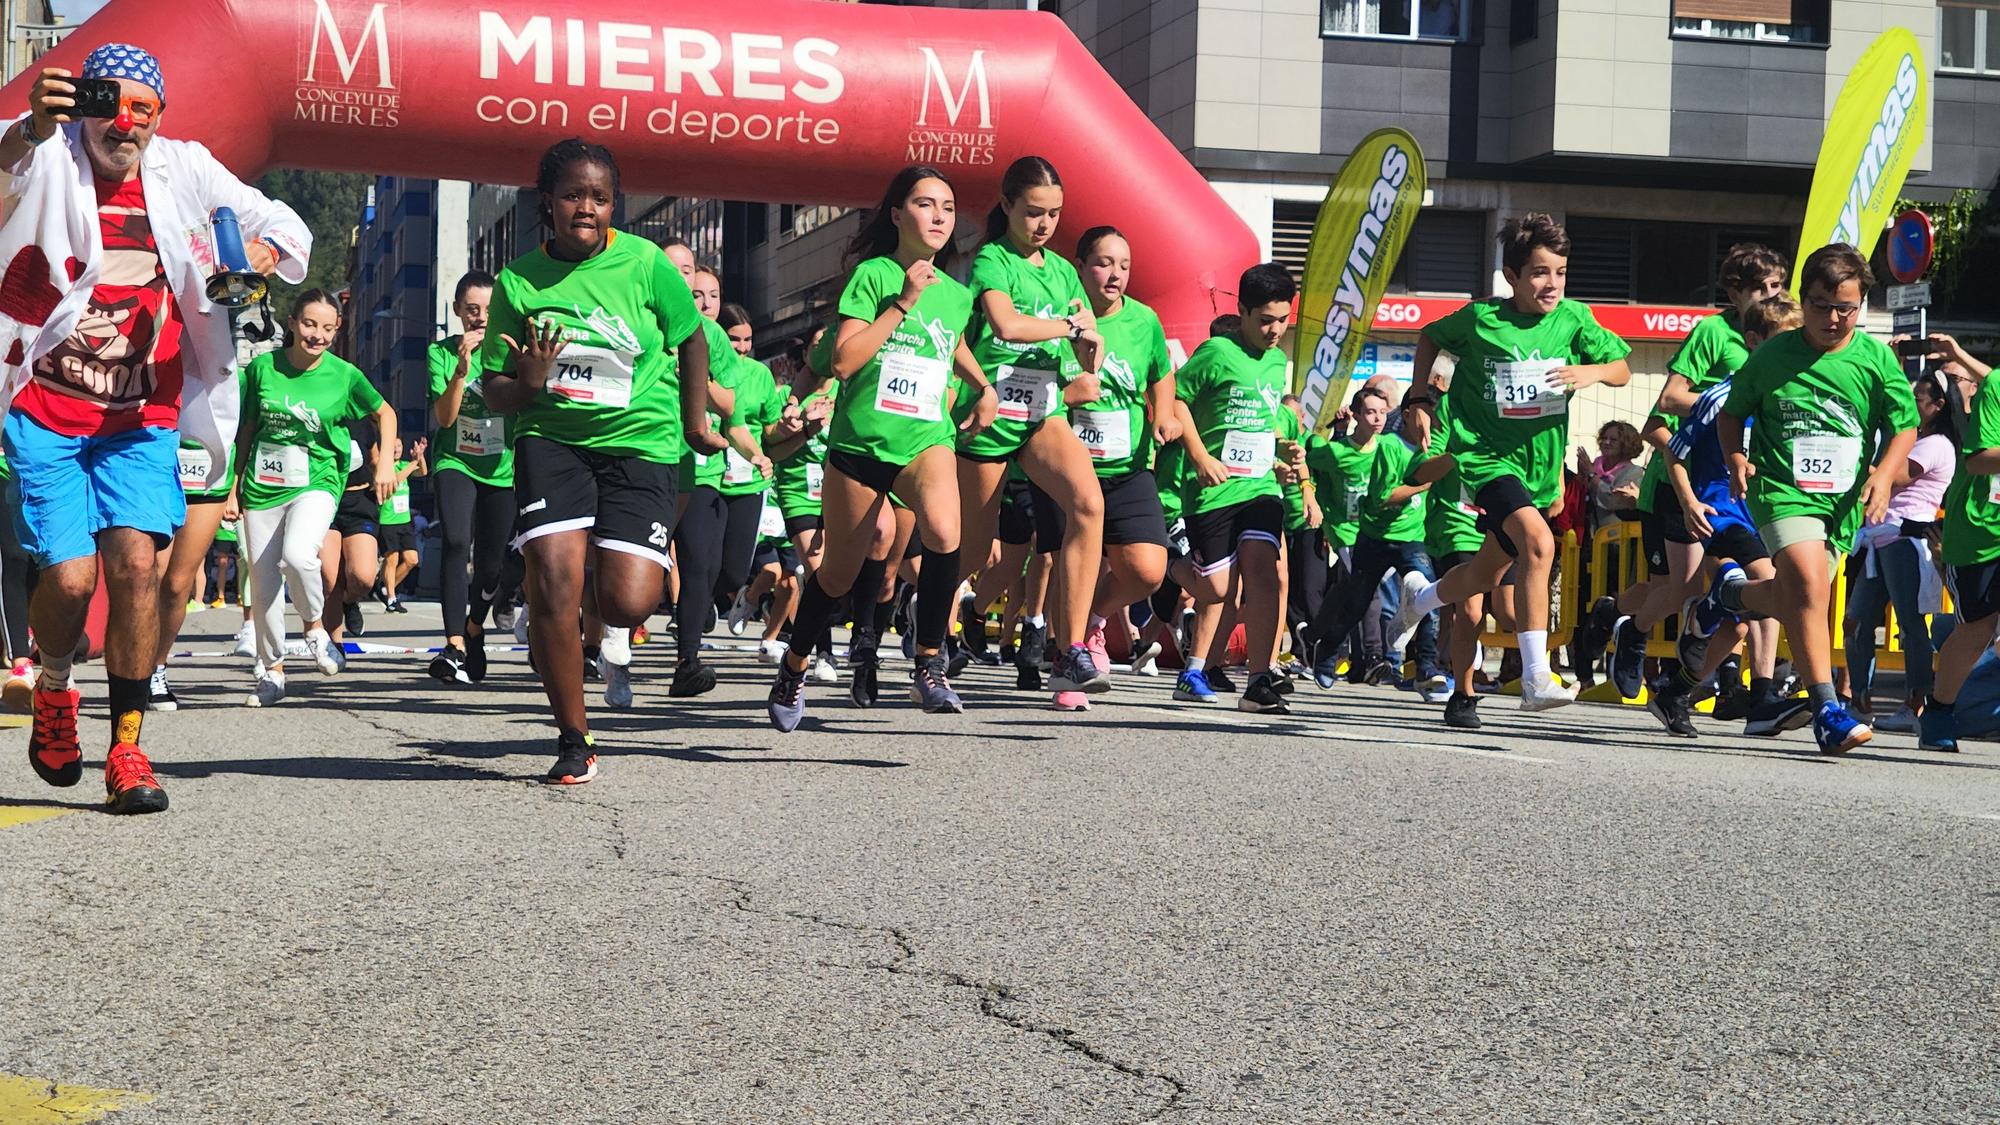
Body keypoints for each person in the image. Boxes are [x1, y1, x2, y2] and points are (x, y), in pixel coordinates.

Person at [0, 45, 311, 813]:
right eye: (107, 101)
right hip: (45, 408)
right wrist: (29, 130)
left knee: (138, 566)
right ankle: (54, 687)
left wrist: (265, 248)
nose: (124, 121)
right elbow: (3, 165)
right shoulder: (48, 152)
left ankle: (129, 747)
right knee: (71, 580)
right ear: (81, 105)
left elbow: (279, 220)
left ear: (161, 116)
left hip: (143, 416)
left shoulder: (184, 168)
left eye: (143, 107)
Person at [481, 138, 717, 784]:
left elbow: (691, 338)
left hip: (640, 442)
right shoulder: (519, 280)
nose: (587, 208)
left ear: (615, 204)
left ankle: (577, 582)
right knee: (555, 582)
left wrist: (695, 423)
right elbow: (492, 388)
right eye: (573, 195)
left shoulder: (644, 263)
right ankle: (573, 737)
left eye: (601, 197)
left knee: (628, 603)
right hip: (551, 442)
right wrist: (527, 382)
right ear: (548, 202)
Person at [766, 164, 998, 732]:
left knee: (946, 532)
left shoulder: (958, 294)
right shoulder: (873, 277)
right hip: (861, 444)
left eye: (947, 206)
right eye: (925, 204)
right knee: (839, 577)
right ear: (898, 216)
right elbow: (843, 360)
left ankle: (928, 662)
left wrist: (983, 386)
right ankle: (794, 666)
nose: (940, 216)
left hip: (925, 437)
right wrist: (902, 302)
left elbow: (950, 346)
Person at [1376, 214, 1633, 724]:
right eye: (1539, 272)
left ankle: (1420, 599)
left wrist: (1593, 371)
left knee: (1482, 573)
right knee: (1539, 542)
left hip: (1538, 467)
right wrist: (1422, 397)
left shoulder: (1575, 320)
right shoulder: (1479, 320)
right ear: (1511, 276)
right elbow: (1429, 338)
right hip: (1485, 457)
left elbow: (1623, 371)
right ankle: (1537, 675)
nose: (1552, 284)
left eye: (1560, 272)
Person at [1689, 243, 1919, 754]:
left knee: (1802, 595)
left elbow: (1904, 425)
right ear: (1804, 300)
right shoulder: (1774, 354)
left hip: (1840, 503)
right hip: (1781, 490)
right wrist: (1735, 458)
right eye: (1819, 305)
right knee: (1811, 583)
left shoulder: (1875, 359)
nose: (1833, 318)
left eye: (1846, 308)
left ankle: (1729, 598)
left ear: (1861, 305)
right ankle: (1826, 710)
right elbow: (1732, 412)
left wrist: (1882, 475)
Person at [953, 156, 1109, 707]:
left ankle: (1068, 651)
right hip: (989, 412)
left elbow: (1087, 340)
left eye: (1054, 215)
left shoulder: (1064, 271)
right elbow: (1006, 325)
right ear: (1007, 207)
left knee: (1088, 507)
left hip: (1042, 411)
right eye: (1034, 213)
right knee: (973, 551)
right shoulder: (992, 261)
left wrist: (1090, 348)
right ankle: (929, 605)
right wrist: (1071, 326)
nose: (1044, 224)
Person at [1607, 245, 1788, 706]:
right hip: (1682, 481)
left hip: (1741, 491)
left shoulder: (1788, 339)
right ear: (1735, 291)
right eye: (1764, 288)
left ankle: (1754, 690)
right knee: (1678, 589)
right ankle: (1625, 624)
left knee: (1755, 591)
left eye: (1779, 286)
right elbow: (1666, 403)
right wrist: (1732, 407)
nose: (1774, 294)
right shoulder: (1713, 333)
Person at [223, 290, 396, 706]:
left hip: (317, 479)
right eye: (309, 324)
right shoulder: (263, 368)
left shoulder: (344, 375)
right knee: (263, 589)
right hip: (263, 486)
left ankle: (316, 628)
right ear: (293, 322)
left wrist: (387, 462)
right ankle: (273, 674)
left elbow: (384, 413)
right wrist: (234, 486)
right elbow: (245, 429)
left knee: (299, 556)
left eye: (327, 328)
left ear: (337, 331)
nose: (317, 335)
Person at [1639, 294, 1799, 737]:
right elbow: (1675, 452)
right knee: (1769, 581)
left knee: (1735, 630)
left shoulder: (1789, 398)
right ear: (1754, 342)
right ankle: (1764, 697)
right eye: (1783, 342)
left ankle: (1675, 689)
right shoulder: (1720, 396)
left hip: (1762, 511)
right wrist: (1689, 501)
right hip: (1718, 508)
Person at [1172, 263, 1299, 714]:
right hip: (1213, 488)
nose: (1274, 330)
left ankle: (1260, 680)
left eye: (1283, 319)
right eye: (1265, 319)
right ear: (1242, 311)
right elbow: (1174, 400)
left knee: (1265, 571)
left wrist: (1283, 460)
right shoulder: (1216, 352)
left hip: (1259, 486)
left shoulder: (1278, 361)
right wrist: (1200, 457)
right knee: (1218, 589)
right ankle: (1169, 564)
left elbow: (1262, 420)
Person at [1067, 226, 1176, 684]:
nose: (1115, 275)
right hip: (1070, 467)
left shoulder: (1143, 320)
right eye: (1104, 263)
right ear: (1081, 266)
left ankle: (1092, 615)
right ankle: (1068, 657)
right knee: (1062, 564)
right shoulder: (1060, 317)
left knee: (1148, 570)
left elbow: (1161, 373)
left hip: (1129, 466)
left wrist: (1164, 413)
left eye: (1124, 266)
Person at [670, 301, 776, 698]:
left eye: (709, 295)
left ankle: (689, 647)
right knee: (650, 578)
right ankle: (614, 647)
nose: (702, 302)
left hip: (709, 474)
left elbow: (735, 420)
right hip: (657, 464)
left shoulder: (728, 356)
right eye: (694, 293)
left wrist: (758, 455)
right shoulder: (657, 331)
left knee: (722, 573)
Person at [427, 270, 518, 685]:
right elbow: (445, 419)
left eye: (488, 310)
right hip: (456, 461)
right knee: (457, 541)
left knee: (492, 565)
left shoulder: (512, 354)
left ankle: (474, 627)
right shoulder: (440, 354)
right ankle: (453, 643)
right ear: (458, 313)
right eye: (471, 310)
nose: (480, 319)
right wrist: (461, 372)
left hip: (502, 467)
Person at [1916, 342, 1997, 754]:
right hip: (1984, 531)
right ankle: (1939, 710)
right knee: (1976, 629)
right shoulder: (1996, 388)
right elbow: (1978, 459)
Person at [377, 437, 427, 611]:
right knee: (392, 559)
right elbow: (396, 480)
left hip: (404, 520)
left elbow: (423, 472)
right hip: (388, 520)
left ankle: (384, 588)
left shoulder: (406, 464)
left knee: (412, 559)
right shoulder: (384, 467)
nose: (397, 449)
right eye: (393, 446)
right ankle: (391, 598)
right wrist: (414, 463)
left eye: (399, 446)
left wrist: (420, 456)